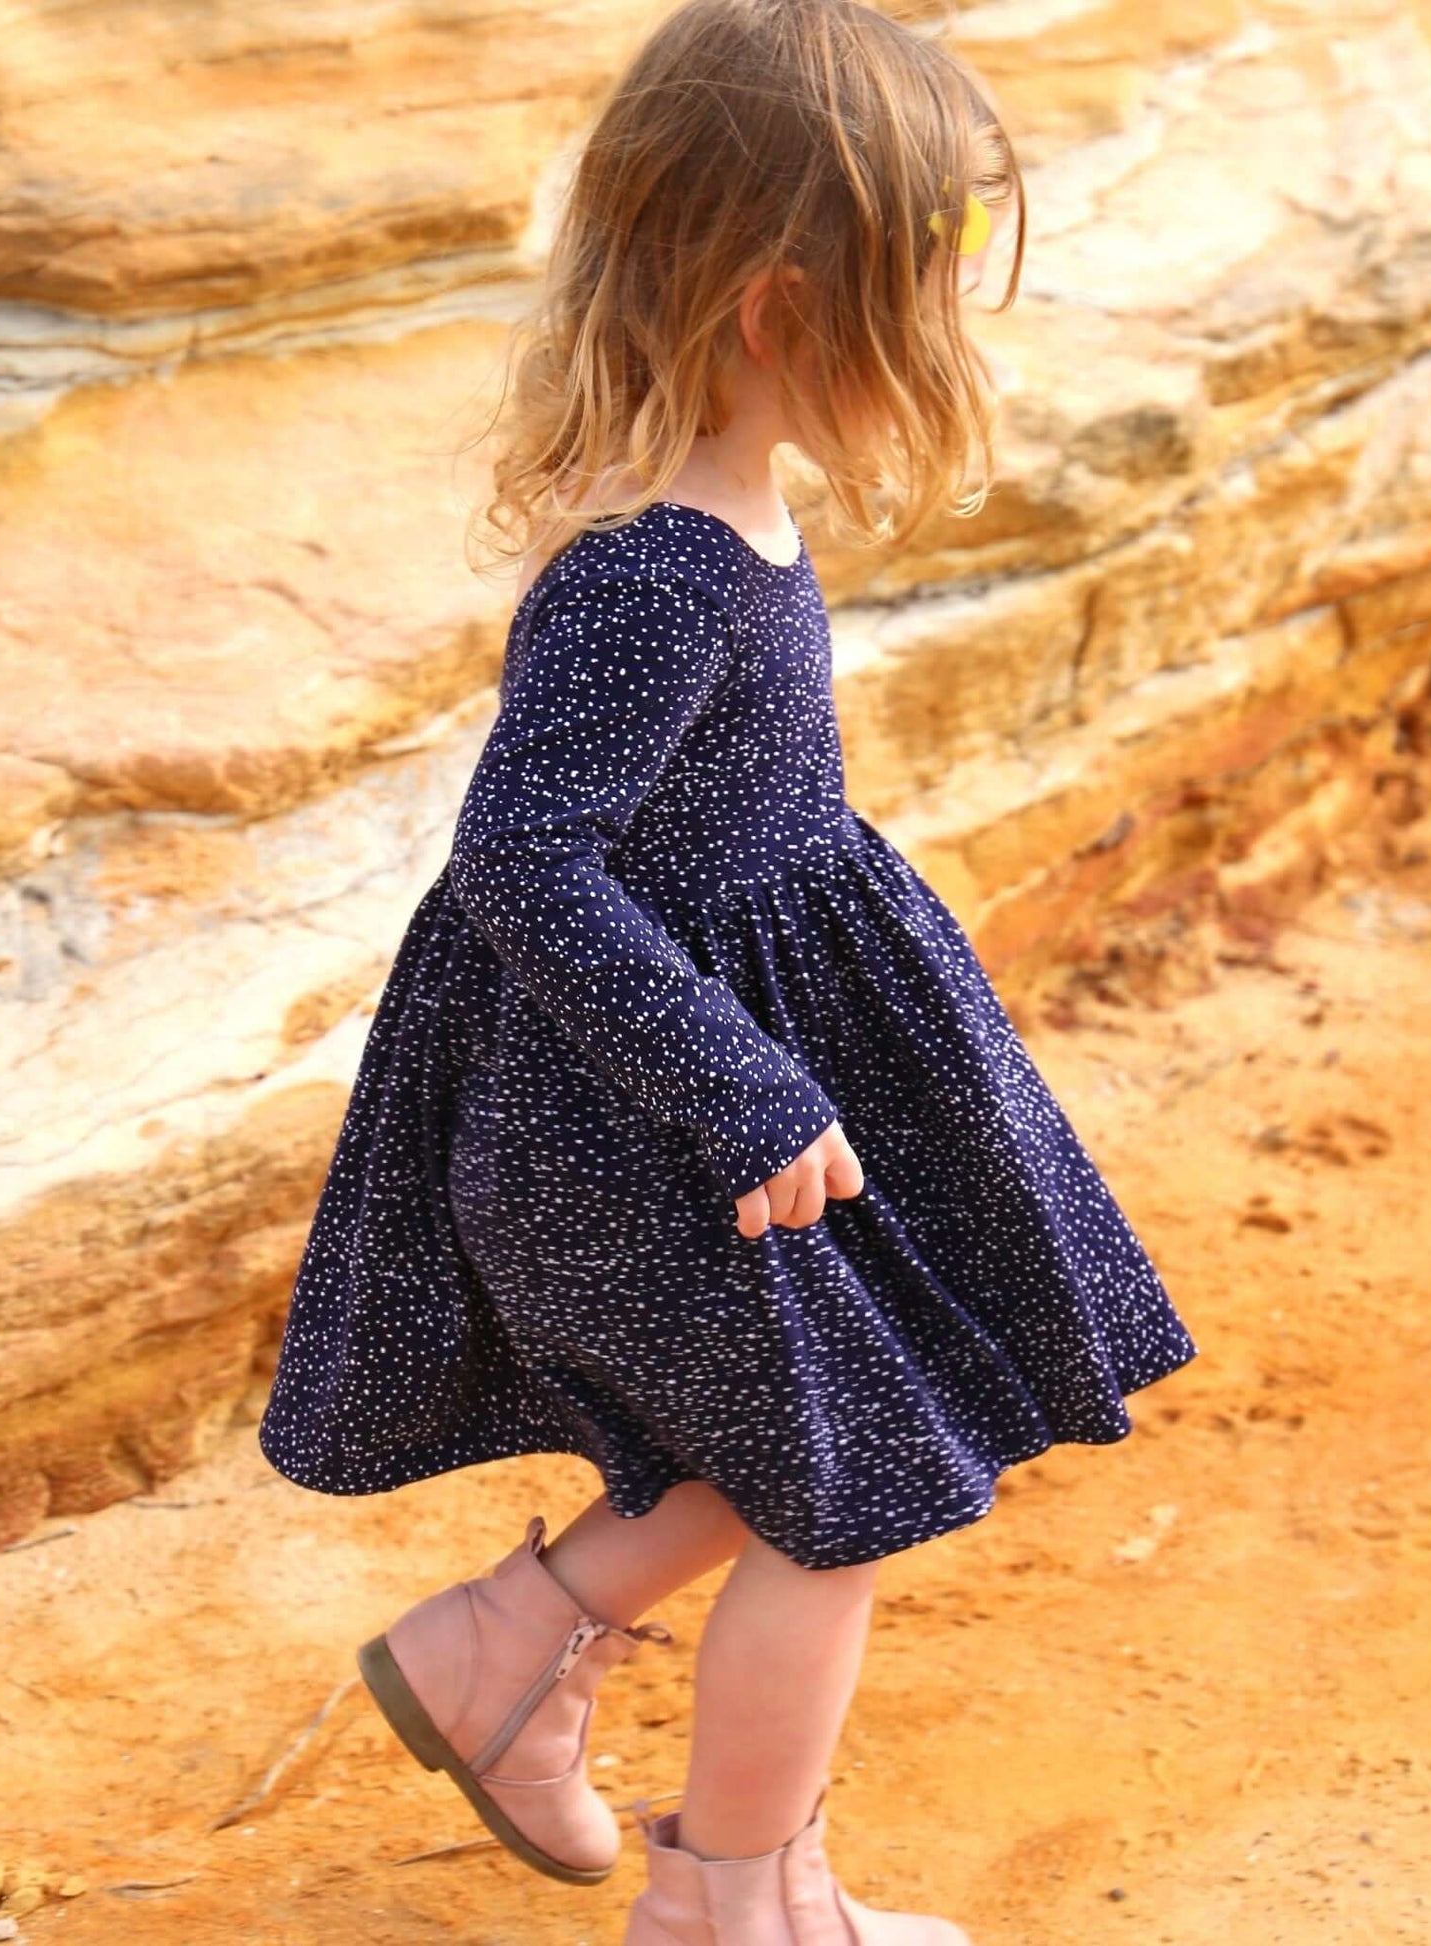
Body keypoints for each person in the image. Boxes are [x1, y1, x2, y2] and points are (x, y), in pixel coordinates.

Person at [255, 0, 1198, 1937]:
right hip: (634, 1131)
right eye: (920, 287)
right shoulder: (654, 574)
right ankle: (736, 1903)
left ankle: (501, 1654)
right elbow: (518, 857)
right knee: (842, 1487)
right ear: (776, 313)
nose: (950, 340)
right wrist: (743, 1084)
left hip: (674, 1108)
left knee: (850, 1408)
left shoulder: (734, 530)